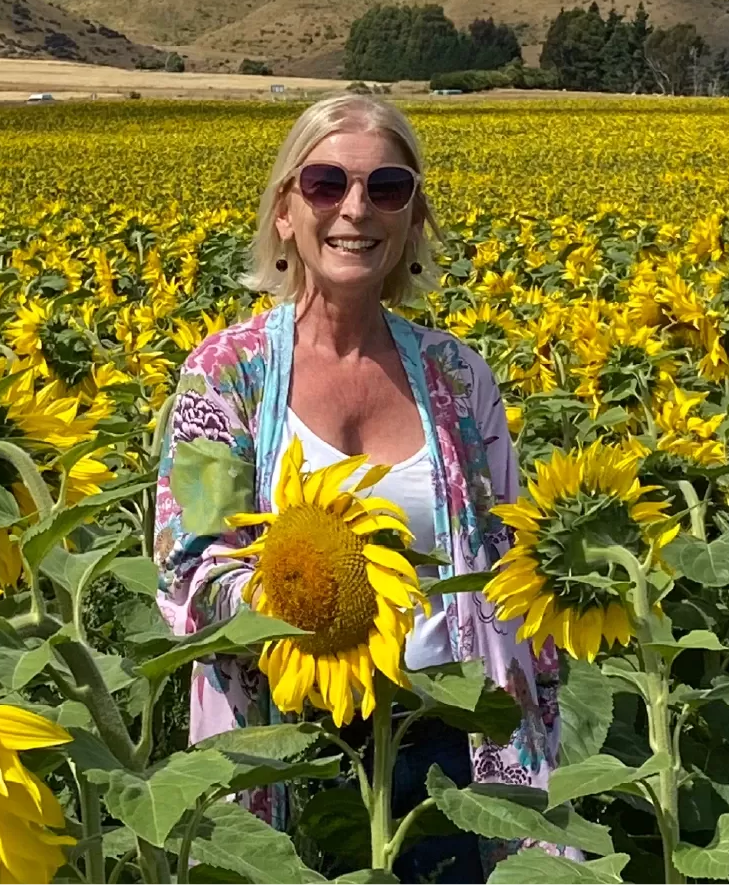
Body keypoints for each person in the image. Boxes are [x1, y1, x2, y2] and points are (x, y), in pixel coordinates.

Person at [153, 94, 560, 881]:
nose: (354, 209)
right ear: (283, 212)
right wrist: (303, 600)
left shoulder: (457, 376)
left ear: (412, 219)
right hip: (285, 742)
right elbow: (189, 567)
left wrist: (537, 726)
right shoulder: (225, 374)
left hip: (453, 745)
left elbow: (512, 560)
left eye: (386, 188)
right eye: (325, 183)